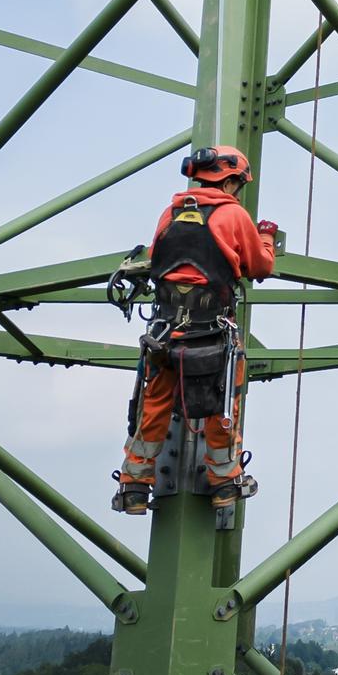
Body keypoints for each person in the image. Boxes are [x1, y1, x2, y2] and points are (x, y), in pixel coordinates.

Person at [113, 145, 278, 515]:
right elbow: (259, 266)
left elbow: (157, 257)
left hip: (165, 332)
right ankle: (225, 482)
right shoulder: (233, 215)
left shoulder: (170, 213)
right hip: (211, 333)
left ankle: (134, 486)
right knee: (222, 405)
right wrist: (265, 236)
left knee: (153, 407)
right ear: (231, 181)